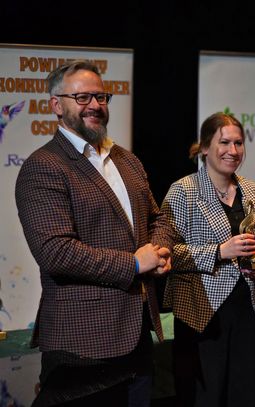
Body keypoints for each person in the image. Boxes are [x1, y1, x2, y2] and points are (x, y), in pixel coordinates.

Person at [15, 60, 174, 407]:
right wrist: (134, 264)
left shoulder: (127, 160)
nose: (95, 105)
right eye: (82, 97)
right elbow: (55, 251)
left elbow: (158, 218)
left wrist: (160, 250)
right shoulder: (43, 166)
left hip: (137, 335)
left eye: (101, 97)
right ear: (56, 105)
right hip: (82, 346)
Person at [160, 112, 255, 407]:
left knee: (242, 395)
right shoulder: (183, 191)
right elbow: (166, 254)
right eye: (224, 142)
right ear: (204, 147)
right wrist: (220, 251)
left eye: (238, 143)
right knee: (204, 398)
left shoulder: (252, 190)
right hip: (202, 313)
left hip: (246, 309)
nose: (232, 151)